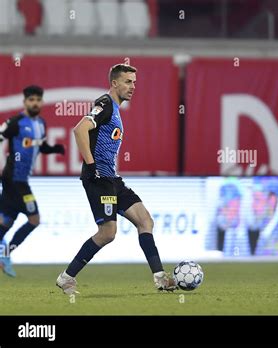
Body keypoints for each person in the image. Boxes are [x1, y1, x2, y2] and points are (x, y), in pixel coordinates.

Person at [56, 64, 176, 295]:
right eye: (128, 82)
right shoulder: (105, 105)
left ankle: (160, 278)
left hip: (113, 179)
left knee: (145, 221)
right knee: (108, 233)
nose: (132, 87)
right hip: (99, 178)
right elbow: (79, 130)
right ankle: (66, 278)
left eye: (134, 82)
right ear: (114, 83)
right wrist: (91, 166)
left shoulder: (115, 110)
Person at [0, 85, 65, 277]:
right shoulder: (16, 122)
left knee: (6, 221)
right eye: (31, 100)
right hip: (14, 179)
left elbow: (41, 146)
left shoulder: (41, 124)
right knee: (34, 219)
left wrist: (54, 149)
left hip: (19, 180)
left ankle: (3, 253)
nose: (35, 103)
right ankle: (5, 254)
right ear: (25, 102)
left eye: (38, 100)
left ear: (42, 102)